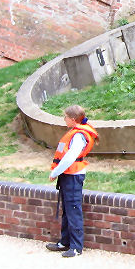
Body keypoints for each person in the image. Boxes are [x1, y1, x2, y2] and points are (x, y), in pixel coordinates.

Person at [45, 105, 99, 258]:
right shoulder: (76, 133)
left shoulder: (78, 135)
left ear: (73, 119)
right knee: (67, 211)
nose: (64, 119)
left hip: (73, 176)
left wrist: (55, 172)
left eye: (66, 117)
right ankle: (65, 242)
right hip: (69, 175)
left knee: (73, 210)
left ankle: (76, 247)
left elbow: (70, 157)